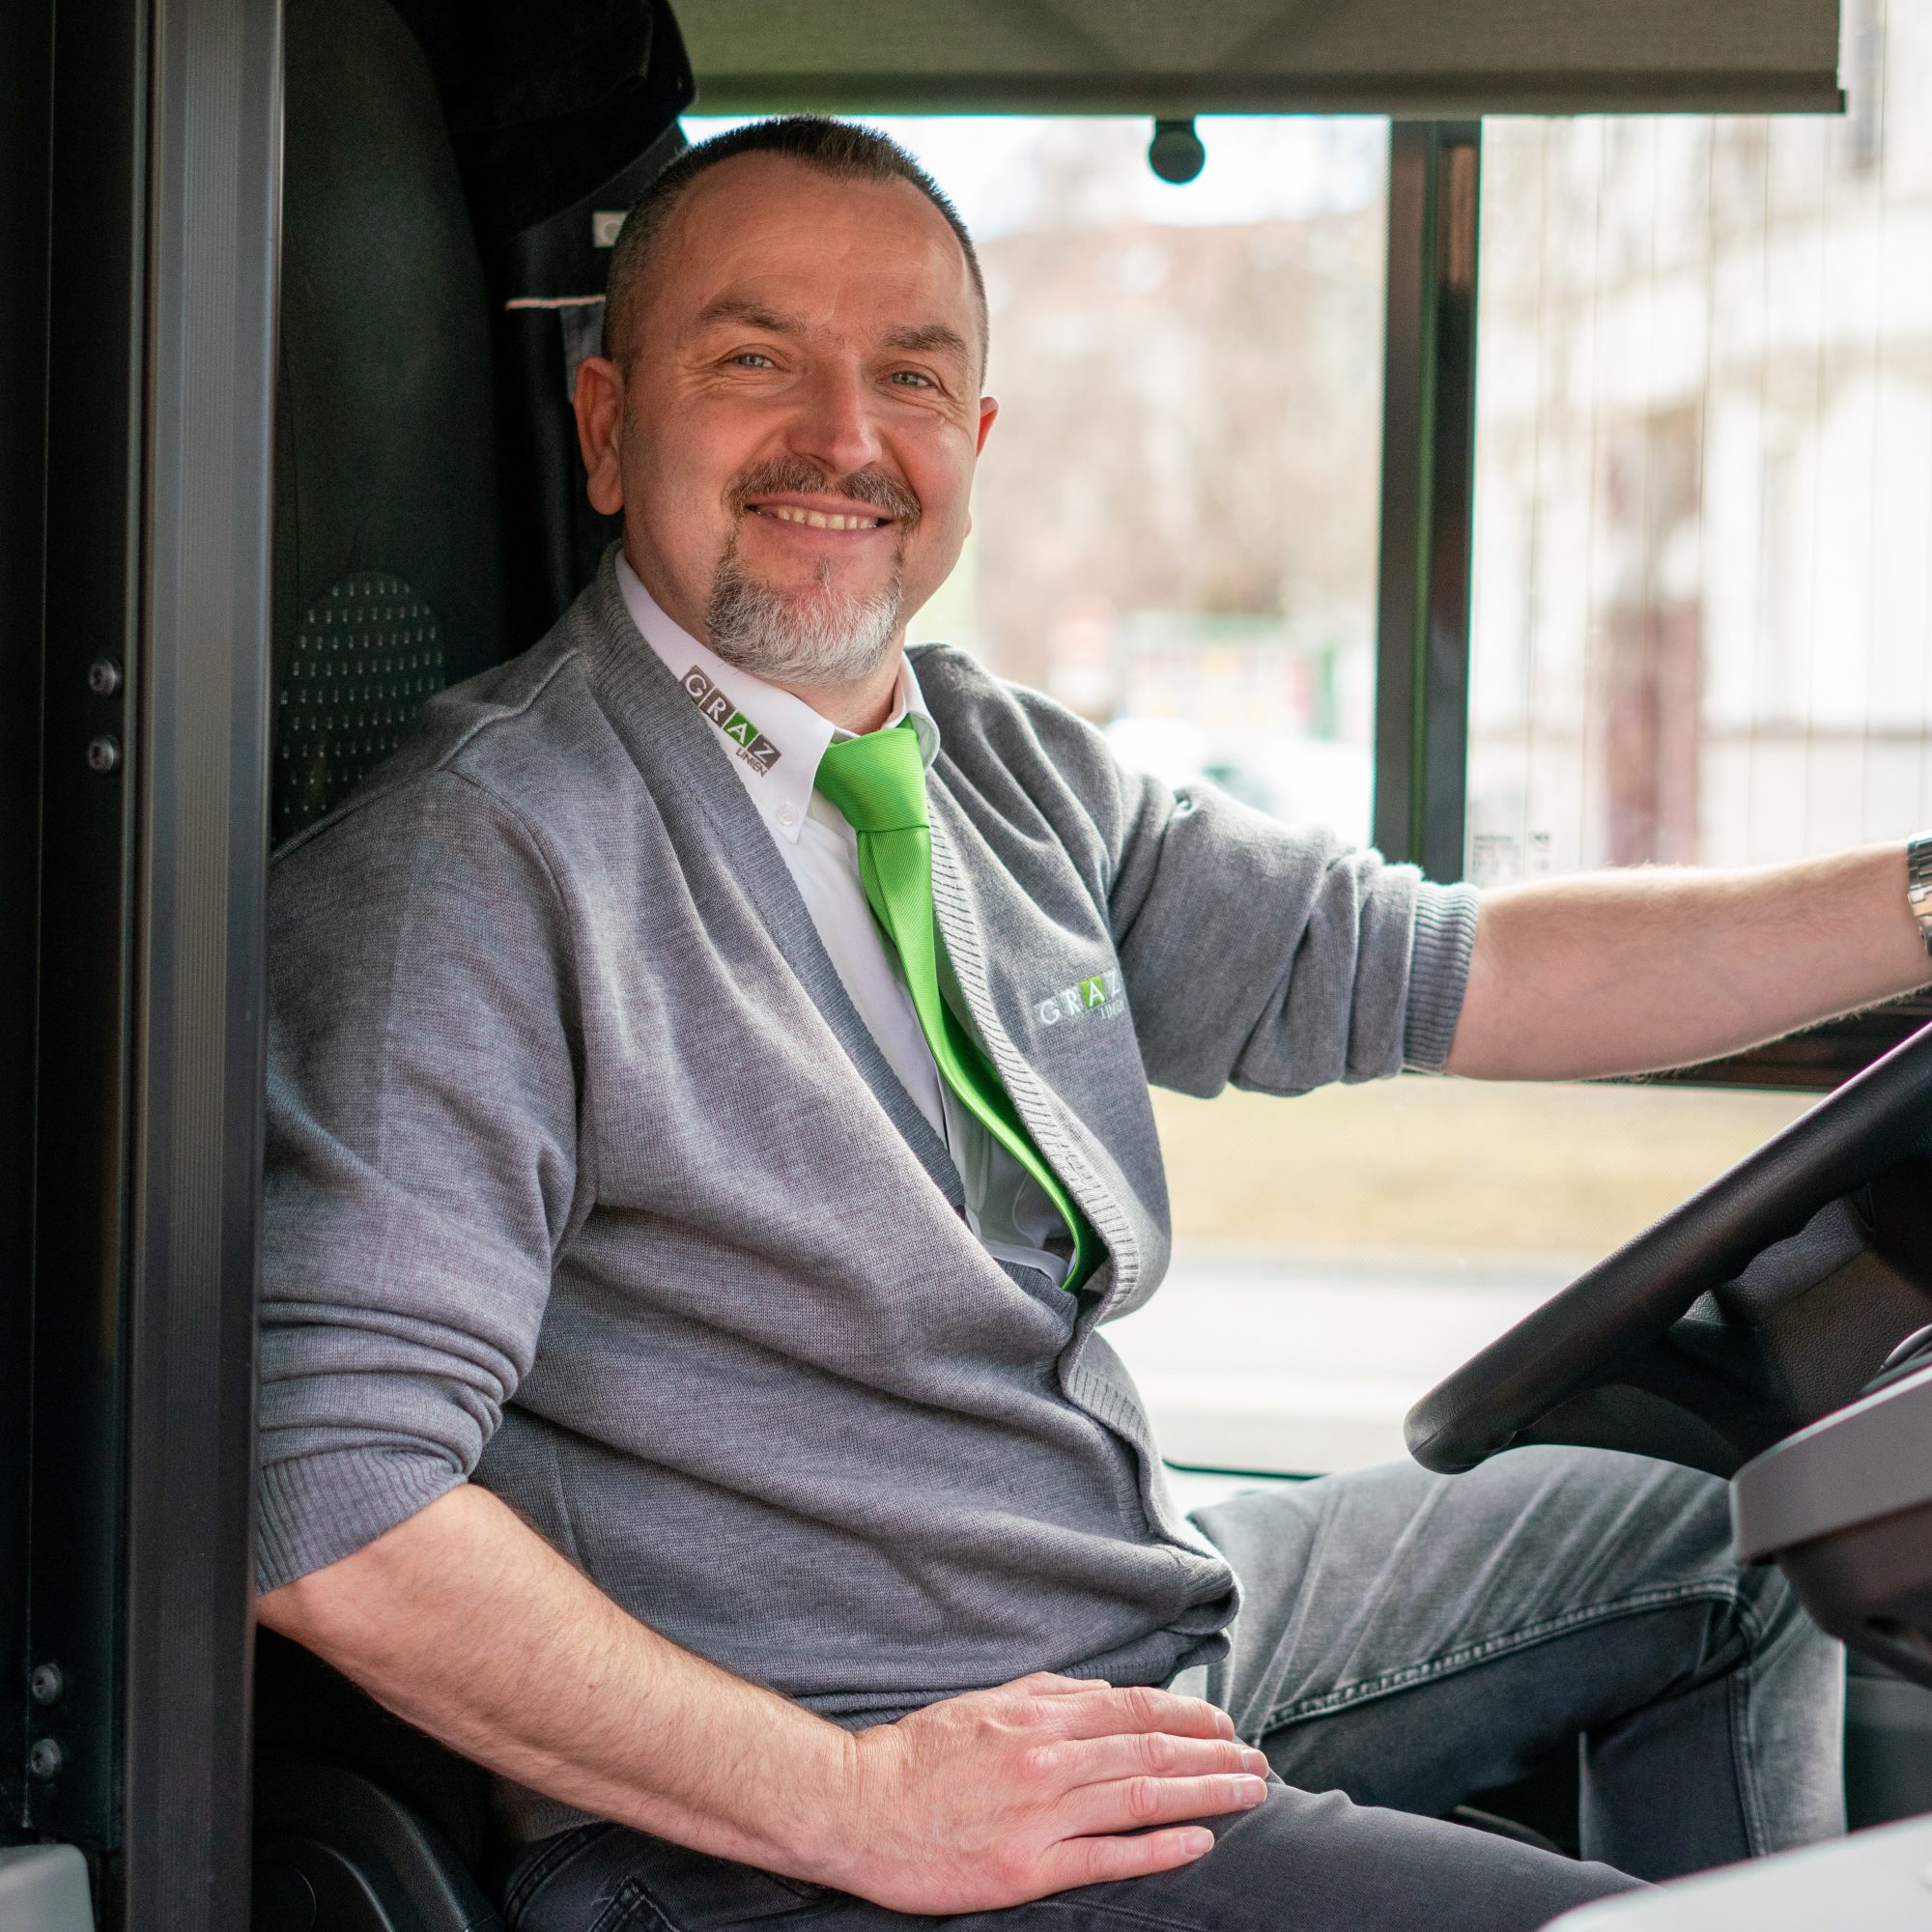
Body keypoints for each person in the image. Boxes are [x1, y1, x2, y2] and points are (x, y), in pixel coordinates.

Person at [257, 117, 1921, 1932]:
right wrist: (857, 1803)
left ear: (969, 450)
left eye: (909, 376)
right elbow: (328, 1494)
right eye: (755, 363)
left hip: (1125, 1626)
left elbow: (1451, 968)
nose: (842, 437)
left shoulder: (998, 766)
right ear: (604, 423)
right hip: (798, 1819)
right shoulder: (475, 864)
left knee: (1737, 1546)